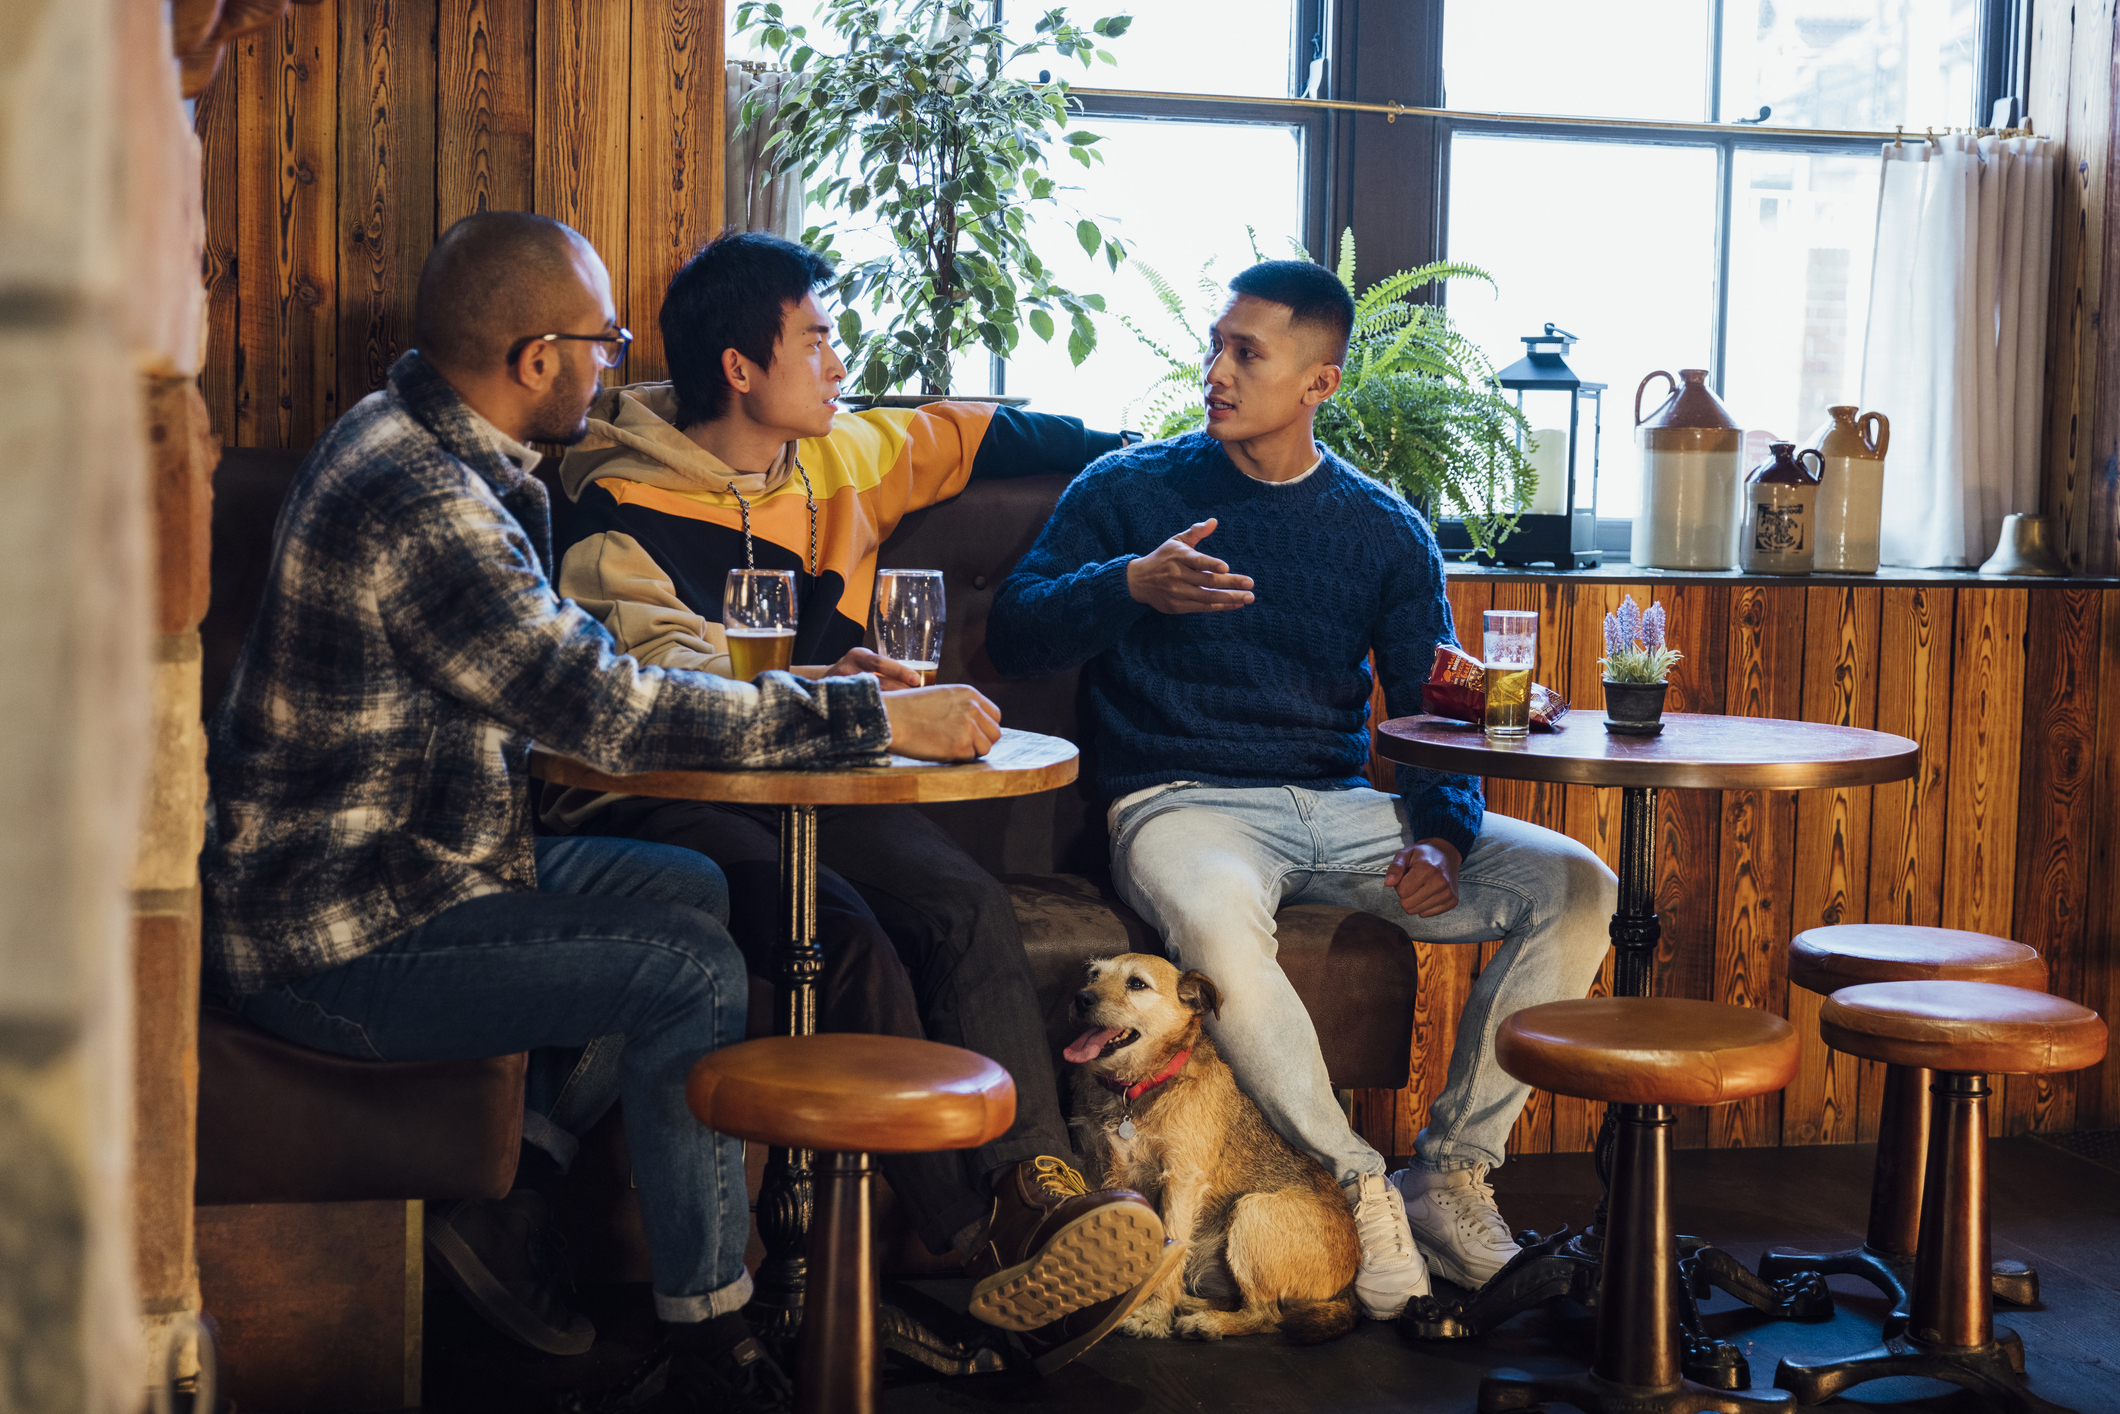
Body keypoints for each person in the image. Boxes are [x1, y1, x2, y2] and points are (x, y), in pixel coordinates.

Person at [201, 211, 1003, 1413]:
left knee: (690, 889)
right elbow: (606, 712)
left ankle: (535, 1159)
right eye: (600, 336)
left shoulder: (434, 442)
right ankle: (712, 1343)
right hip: (334, 936)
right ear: (535, 358)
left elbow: (572, 671)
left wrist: (811, 689)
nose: (617, 358)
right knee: (681, 969)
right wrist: (871, 722)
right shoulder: (425, 500)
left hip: (421, 873)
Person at [537, 229, 1169, 1369]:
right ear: (740, 367)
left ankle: (1042, 1196)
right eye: (817, 339)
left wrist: (1145, 457)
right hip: (666, 801)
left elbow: (984, 427)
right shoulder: (614, 510)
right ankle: (972, 1241)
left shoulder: (845, 454)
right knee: (844, 936)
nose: (840, 362)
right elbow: (674, 703)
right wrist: (853, 704)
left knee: (963, 902)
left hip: (823, 784)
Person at [985, 259, 1617, 1319]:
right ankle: (1358, 1180)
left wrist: (1443, 836)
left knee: (1578, 884)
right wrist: (1130, 584)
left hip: (1339, 806)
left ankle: (1451, 1172)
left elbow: (1432, 701)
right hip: (1178, 800)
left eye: (1247, 353)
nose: (1215, 370)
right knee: (1222, 940)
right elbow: (1016, 626)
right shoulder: (1129, 490)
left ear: (1317, 382)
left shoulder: (1381, 528)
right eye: (1214, 345)